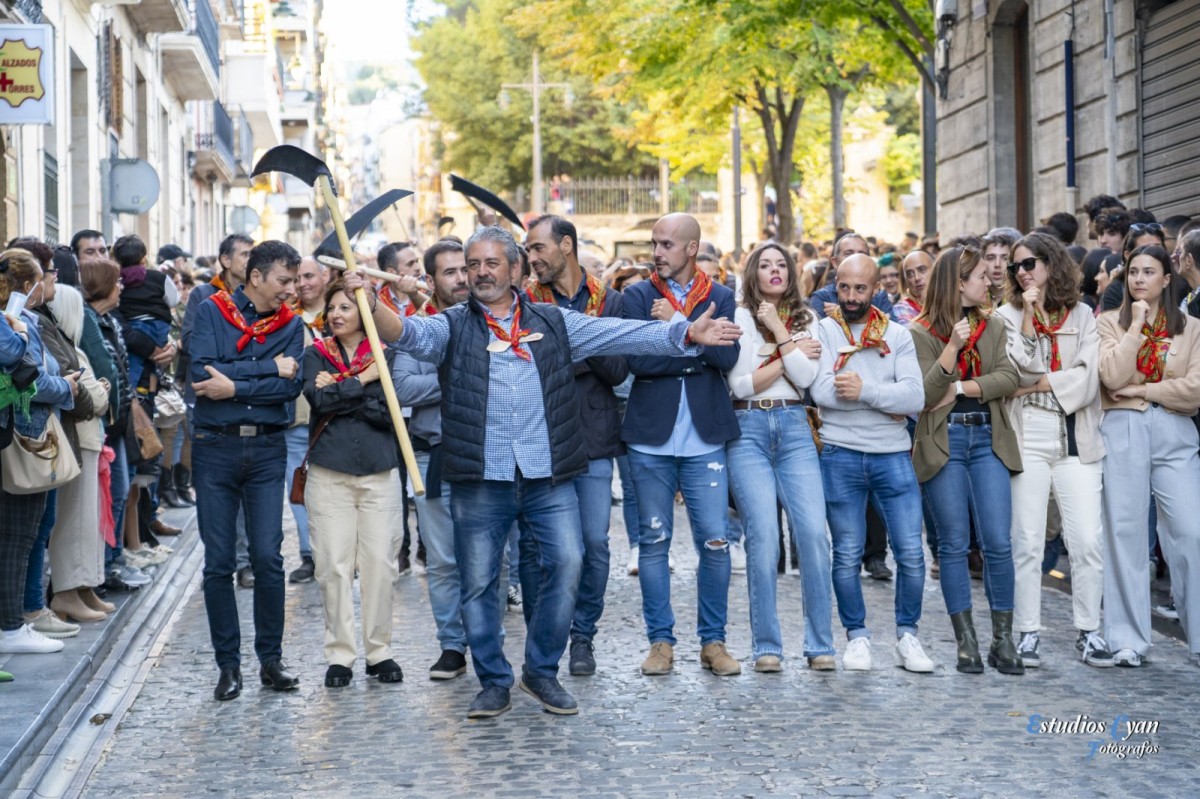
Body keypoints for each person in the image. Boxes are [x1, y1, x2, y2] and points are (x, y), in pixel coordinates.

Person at [387, 223, 741, 719]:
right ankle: (493, 681)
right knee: (478, 582)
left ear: (515, 269)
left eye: (492, 263)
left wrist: (686, 331)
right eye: (473, 265)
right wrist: (374, 302)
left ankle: (540, 671)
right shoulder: (452, 325)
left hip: (545, 474)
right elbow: (405, 333)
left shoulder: (554, 321)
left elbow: (621, 332)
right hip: (479, 476)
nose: (482, 273)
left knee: (570, 562)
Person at [621, 213, 743, 681]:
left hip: (705, 435)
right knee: (653, 540)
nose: (657, 252)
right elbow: (638, 360)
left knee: (715, 541)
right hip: (650, 436)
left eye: (667, 244)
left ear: (692, 248)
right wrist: (695, 341)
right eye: (655, 243)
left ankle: (713, 642)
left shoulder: (721, 296)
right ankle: (661, 642)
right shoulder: (637, 295)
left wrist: (678, 326)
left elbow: (727, 357)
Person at [188, 240, 308, 701]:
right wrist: (266, 371)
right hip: (214, 447)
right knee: (219, 562)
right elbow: (202, 375)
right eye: (284, 280)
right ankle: (228, 665)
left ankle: (270, 661)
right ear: (255, 277)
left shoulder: (292, 324)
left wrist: (234, 381)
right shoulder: (210, 310)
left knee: (268, 558)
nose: (291, 290)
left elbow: (290, 386)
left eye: (295, 281)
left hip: (266, 450)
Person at [810, 253, 932, 672]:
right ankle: (857, 636)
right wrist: (884, 395)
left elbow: (915, 398)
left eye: (860, 288)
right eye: (843, 287)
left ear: (876, 286)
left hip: (893, 454)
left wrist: (863, 391)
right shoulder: (824, 329)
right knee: (845, 553)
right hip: (840, 452)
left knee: (911, 553)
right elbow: (821, 390)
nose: (850, 296)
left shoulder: (897, 335)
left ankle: (908, 635)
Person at [995, 232, 1110, 669]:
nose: (1022, 272)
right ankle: (1027, 632)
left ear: (1052, 264)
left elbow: (1086, 381)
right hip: (1027, 434)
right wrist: (1027, 314)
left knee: (1086, 541)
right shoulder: (1005, 316)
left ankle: (1089, 631)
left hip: (1076, 435)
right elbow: (1016, 367)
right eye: (1016, 267)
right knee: (1025, 539)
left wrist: (1042, 382)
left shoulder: (1082, 314)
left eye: (1030, 263)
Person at [910, 246, 1024, 675]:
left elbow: (1008, 378)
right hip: (945, 442)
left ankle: (1003, 640)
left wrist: (960, 389)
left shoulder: (991, 325)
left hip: (987, 438)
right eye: (979, 276)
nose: (989, 281)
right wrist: (952, 348)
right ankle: (967, 642)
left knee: (998, 542)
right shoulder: (918, 331)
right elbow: (923, 394)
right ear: (958, 283)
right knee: (954, 545)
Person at [524, 215, 628, 677]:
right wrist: (580, 352)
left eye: (538, 248)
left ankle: (583, 635)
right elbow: (528, 367)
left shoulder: (613, 301)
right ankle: (543, 634)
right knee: (538, 547)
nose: (532, 258)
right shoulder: (524, 303)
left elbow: (618, 369)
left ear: (565, 246)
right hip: (540, 437)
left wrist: (570, 350)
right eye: (528, 250)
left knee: (593, 544)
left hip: (593, 437)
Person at [726, 243, 833, 672]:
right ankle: (766, 646)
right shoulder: (736, 318)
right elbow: (740, 386)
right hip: (748, 429)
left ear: (791, 273)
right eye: (765, 265)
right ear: (753, 274)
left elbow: (807, 379)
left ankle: (820, 644)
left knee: (812, 535)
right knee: (764, 538)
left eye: (781, 265)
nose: (774, 271)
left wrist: (779, 334)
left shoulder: (810, 320)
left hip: (793, 427)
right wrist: (787, 355)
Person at [1097, 244, 1200, 667]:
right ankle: (1127, 639)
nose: (1139, 279)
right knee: (1125, 532)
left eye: (1149, 271)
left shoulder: (1191, 327)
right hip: (1122, 429)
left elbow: (1194, 392)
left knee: (1191, 531)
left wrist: (1142, 390)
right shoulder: (1107, 324)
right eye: (1133, 271)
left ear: (1166, 278)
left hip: (1175, 430)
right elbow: (1111, 376)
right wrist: (1136, 326)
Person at [303, 279, 405, 688]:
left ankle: (379, 651)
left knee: (381, 564)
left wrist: (342, 388)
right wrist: (362, 382)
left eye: (347, 306)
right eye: (334, 307)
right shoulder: (316, 354)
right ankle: (340, 655)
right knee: (332, 566)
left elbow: (389, 412)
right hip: (329, 472)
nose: (338, 314)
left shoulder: (387, 355)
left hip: (379, 470)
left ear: (364, 312)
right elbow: (319, 401)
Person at [394, 238, 473, 681]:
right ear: (431, 279)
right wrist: (462, 379)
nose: (461, 278)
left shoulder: (493, 320)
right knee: (442, 559)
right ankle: (452, 645)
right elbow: (403, 387)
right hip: (431, 454)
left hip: (485, 454)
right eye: (450, 272)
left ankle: (486, 637)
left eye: (466, 269)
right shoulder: (413, 328)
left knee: (488, 557)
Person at [0, 248, 78, 657]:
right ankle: (13, 624)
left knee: (26, 532)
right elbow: (23, 366)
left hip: (20, 430)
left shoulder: (21, 318)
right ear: (28, 285)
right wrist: (66, 387)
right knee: (18, 535)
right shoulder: (17, 320)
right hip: (19, 434)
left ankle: (15, 621)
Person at [183, 233, 255, 589]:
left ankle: (244, 562)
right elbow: (196, 348)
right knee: (214, 493)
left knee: (246, 493)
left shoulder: (258, 298)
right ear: (225, 260)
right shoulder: (203, 296)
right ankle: (219, 561)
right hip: (208, 408)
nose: (249, 260)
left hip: (247, 406)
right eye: (244, 254)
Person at [45, 284, 113, 624]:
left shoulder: (71, 347)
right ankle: (68, 590)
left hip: (88, 439)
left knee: (88, 520)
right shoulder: (67, 348)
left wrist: (99, 390)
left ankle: (84, 586)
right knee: (75, 520)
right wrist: (101, 390)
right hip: (79, 438)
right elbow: (92, 397)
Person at [285, 256, 327, 584]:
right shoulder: (286, 318)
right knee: (299, 487)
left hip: (339, 414)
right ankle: (309, 554)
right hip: (300, 416)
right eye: (297, 278)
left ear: (325, 276)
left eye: (309, 276)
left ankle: (338, 551)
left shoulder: (347, 310)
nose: (303, 283)